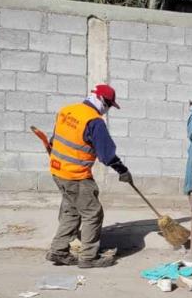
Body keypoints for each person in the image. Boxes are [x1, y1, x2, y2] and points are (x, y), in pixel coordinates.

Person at [46, 84, 133, 269]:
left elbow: (54, 140)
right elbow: (107, 154)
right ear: (102, 100)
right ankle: (88, 258)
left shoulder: (67, 110)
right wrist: (123, 171)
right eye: (109, 105)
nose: (108, 110)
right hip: (76, 176)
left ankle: (58, 251)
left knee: (71, 210)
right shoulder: (94, 121)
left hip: (57, 171)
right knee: (93, 213)